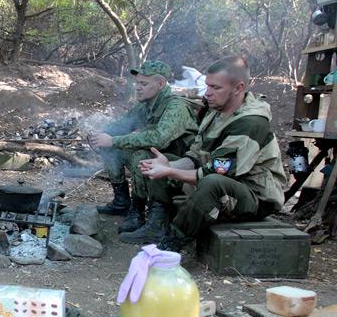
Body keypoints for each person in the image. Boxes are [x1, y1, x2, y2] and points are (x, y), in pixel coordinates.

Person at [138, 56, 287, 252]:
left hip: (255, 197)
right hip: (223, 181)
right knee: (164, 161)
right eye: (207, 86)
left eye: (216, 88)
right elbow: (196, 157)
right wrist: (168, 166)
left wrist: (169, 172)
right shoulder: (216, 112)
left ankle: (171, 245)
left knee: (211, 182)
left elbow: (217, 174)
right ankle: (156, 224)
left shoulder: (250, 123)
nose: (207, 93)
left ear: (238, 88)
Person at [89, 61, 198, 238]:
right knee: (111, 149)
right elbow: (121, 125)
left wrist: (114, 140)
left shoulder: (176, 106)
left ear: (161, 84)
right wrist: (101, 135)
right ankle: (121, 202)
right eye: (137, 83)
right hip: (159, 156)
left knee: (139, 155)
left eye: (143, 84)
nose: (138, 88)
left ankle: (147, 218)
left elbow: (159, 139)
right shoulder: (146, 104)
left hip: (181, 163)